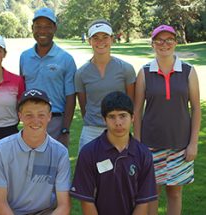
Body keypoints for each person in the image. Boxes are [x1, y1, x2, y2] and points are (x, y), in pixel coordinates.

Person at [133, 25, 201, 215]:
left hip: (180, 144)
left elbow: (196, 109)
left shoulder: (188, 71)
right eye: (159, 40)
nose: (164, 44)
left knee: (175, 193)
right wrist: (137, 144)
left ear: (176, 43)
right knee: (152, 193)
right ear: (153, 44)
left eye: (169, 40)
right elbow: (137, 111)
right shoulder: (144, 72)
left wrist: (193, 143)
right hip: (150, 145)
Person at [0, 88, 71, 215]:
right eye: (29, 115)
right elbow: (0, 202)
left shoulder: (60, 153)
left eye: (41, 115)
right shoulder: (1, 149)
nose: (35, 120)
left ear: (49, 116)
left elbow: (64, 205)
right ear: (20, 116)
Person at [70, 91, 157, 214]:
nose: (118, 123)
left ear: (132, 117)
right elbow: (86, 201)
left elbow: (143, 201)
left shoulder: (143, 154)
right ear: (104, 119)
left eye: (122, 116)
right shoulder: (89, 153)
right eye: (112, 116)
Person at [75, 19, 136, 151]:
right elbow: (84, 105)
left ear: (112, 39)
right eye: (95, 38)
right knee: (88, 169)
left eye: (105, 37)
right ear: (89, 41)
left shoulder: (126, 69)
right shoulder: (81, 73)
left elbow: (131, 103)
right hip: (91, 130)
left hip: (118, 128)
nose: (100, 41)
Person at [20, 7, 77, 147]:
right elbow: (22, 89)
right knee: (29, 166)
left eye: (47, 26)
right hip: (30, 121)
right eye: (38, 26)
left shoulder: (66, 59)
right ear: (32, 28)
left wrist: (65, 129)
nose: (42, 31)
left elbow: (71, 97)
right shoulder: (24, 57)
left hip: (55, 122)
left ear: (55, 28)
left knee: (54, 167)